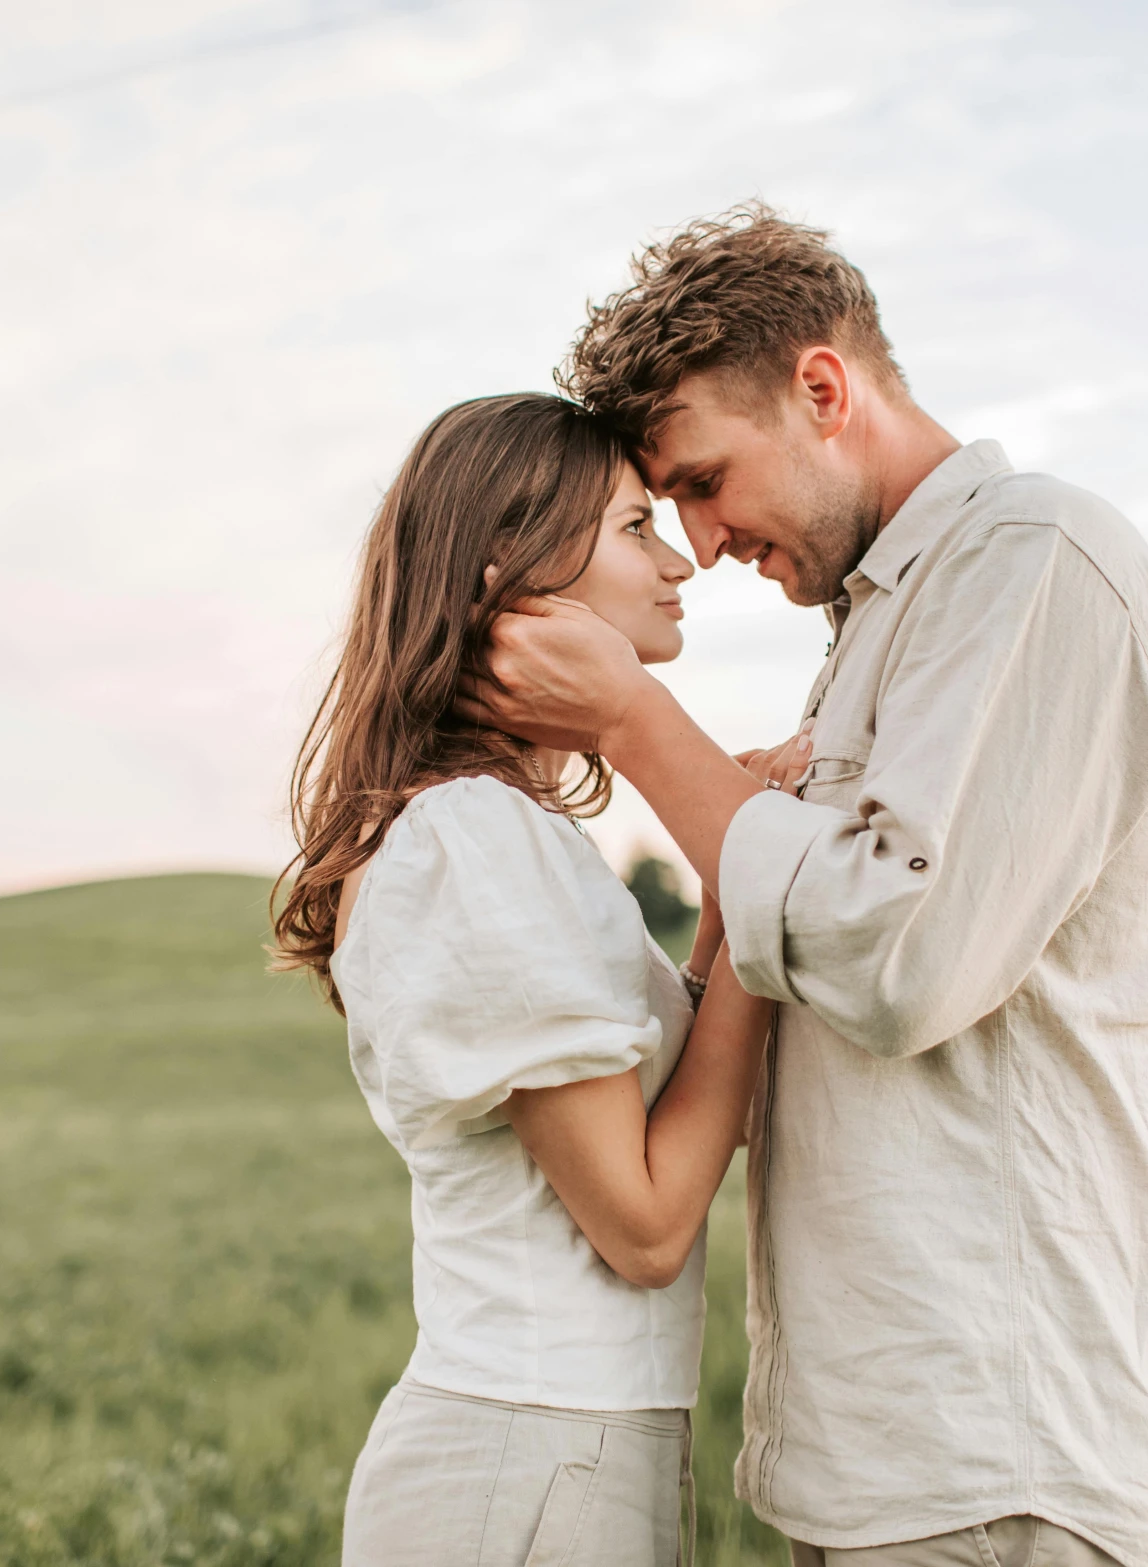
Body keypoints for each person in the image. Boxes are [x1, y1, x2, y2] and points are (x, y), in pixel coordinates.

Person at [461, 207, 1148, 1567]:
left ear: (822, 390)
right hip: (901, 1451)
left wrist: (642, 728)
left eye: (701, 478)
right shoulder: (885, 623)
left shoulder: (1031, 560)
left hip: (1009, 1447)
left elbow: (898, 960)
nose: (694, 541)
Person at [271, 393, 776, 1565]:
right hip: (528, 1457)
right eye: (634, 528)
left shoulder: (511, 835)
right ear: (515, 582)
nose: (679, 563)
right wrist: (764, 898)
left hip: (570, 1446)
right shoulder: (471, 838)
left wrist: (728, 914)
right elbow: (644, 1227)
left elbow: (693, 1110)